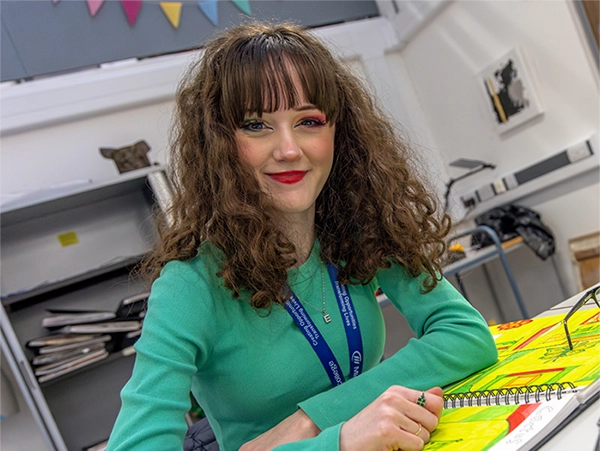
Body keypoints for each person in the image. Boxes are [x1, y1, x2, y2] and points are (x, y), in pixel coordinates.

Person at [106, 21, 497, 451]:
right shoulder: (189, 286)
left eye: (309, 120)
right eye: (256, 125)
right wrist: (339, 442)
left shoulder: (358, 225)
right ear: (218, 142)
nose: (289, 149)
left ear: (338, 133)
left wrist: (312, 420)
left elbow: (465, 334)